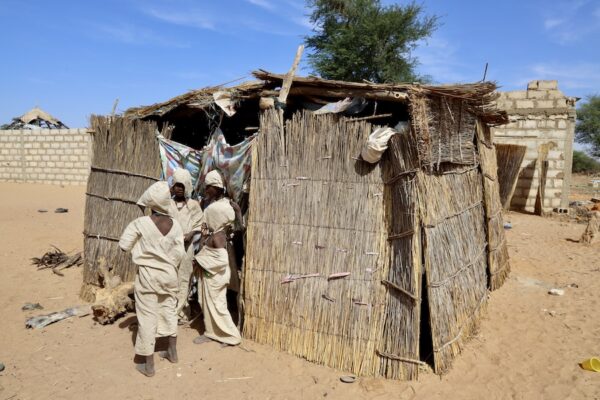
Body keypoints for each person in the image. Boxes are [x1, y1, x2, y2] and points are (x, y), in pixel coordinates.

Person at [119, 181, 185, 377]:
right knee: (169, 311)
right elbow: (179, 254)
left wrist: (144, 249)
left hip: (147, 277)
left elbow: (124, 246)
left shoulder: (140, 223)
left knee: (147, 317)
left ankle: (148, 365)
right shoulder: (175, 225)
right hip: (169, 276)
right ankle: (172, 352)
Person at [193, 170, 242, 346]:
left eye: (209, 187)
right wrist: (200, 254)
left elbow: (236, 229)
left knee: (219, 297)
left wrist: (238, 214)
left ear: (218, 188)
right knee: (206, 296)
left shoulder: (225, 207)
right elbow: (205, 231)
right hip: (210, 254)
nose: (206, 190)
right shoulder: (213, 207)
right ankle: (211, 331)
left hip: (219, 256)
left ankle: (229, 334)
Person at [169, 168, 204, 322]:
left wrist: (192, 234)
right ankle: (168, 310)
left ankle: (181, 311)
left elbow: (201, 224)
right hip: (169, 248)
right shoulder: (167, 204)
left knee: (184, 278)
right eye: (177, 185)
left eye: (182, 186)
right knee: (170, 278)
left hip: (186, 248)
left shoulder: (193, 205)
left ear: (187, 187)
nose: (179, 189)